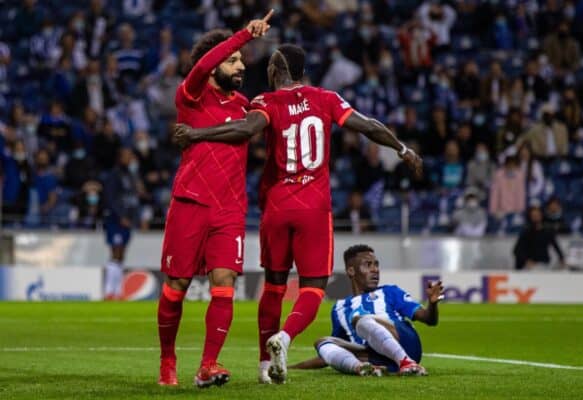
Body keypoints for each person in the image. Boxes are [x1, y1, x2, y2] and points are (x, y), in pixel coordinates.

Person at [173, 43, 423, 385]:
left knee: (274, 286)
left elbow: (245, 130)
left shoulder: (266, 102)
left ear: (276, 69)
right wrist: (402, 148)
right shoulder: (327, 99)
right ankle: (286, 338)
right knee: (313, 288)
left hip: (276, 207)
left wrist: (196, 134)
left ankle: (265, 365)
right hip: (314, 208)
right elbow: (368, 126)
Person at [156, 12, 273, 389]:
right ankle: (167, 359)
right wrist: (243, 35)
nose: (240, 66)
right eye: (233, 60)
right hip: (190, 203)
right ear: (212, 67)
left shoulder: (243, 105)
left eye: (241, 60)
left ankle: (208, 365)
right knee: (175, 287)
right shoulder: (191, 94)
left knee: (225, 284)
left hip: (229, 210)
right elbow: (204, 62)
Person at [289, 244, 443, 376]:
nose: (375, 270)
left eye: (376, 264)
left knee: (360, 320)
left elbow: (429, 319)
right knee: (323, 342)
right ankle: (363, 369)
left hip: (405, 344)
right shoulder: (339, 308)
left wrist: (433, 304)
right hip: (375, 355)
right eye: (368, 265)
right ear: (351, 271)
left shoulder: (390, 291)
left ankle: (407, 362)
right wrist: (293, 368)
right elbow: (331, 354)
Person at [102, 147, 145, 299]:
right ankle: (108, 291)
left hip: (127, 220)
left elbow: (134, 199)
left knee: (122, 254)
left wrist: (135, 218)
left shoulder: (131, 176)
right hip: (115, 220)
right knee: (115, 252)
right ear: (120, 158)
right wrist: (120, 216)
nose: (130, 159)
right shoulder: (114, 175)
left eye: (131, 155)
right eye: (127, 156)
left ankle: (118, 291)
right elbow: (110, 198)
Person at [513, 206, 565, 270]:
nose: (536, 217)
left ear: (541, 215)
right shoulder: (526, 232)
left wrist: (562, 258)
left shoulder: (547, 231)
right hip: (530, 265)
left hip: (545, 264)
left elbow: (556, 246)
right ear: (530, 217)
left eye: (537, 215)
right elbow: (516, 250)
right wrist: (526, 261)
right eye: (534, 215)